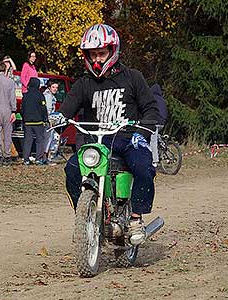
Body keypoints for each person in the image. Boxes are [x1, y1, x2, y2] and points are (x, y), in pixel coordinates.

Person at [56, 24, 159, 245]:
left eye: (101, 53)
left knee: (143, 166)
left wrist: (142, 132)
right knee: (72, 169)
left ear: (113, 52)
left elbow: (151, 109)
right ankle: (86, 219)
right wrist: (57, 122)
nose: (97, 59)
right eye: (92, 54)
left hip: (129, 138)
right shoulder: (84, 83)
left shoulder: (133, 77)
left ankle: (135, 218)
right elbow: (66, 111)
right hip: (96, 141)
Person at [21, 77, 48, 165]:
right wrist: (45, 119)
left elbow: (22, 109)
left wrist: (24, 118)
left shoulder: (25, 96)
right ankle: (38, 158)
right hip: (38, 122)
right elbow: (43, 108)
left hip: (27, 122)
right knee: (40, 140)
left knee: (27, 141)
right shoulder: (40, 95)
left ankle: (26, 159)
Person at [149, 83, 168, 167]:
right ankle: (164, 147)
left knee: (152, 141)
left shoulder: (151, 98)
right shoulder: (162, 99)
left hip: (154, 121)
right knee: (156, 136)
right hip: (163, 121)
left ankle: (154, 161)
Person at [43, 81, 60, 161]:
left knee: (49, 138)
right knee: (49, 138)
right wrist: (51, 121)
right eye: (53, 87)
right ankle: (47, 157)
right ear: (49, 87)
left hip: (48, 119)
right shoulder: (48, 96)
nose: (55, 89)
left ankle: (47, 156)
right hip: (49, 120)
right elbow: (48, 110)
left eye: (56, 87)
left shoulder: (49, 95)